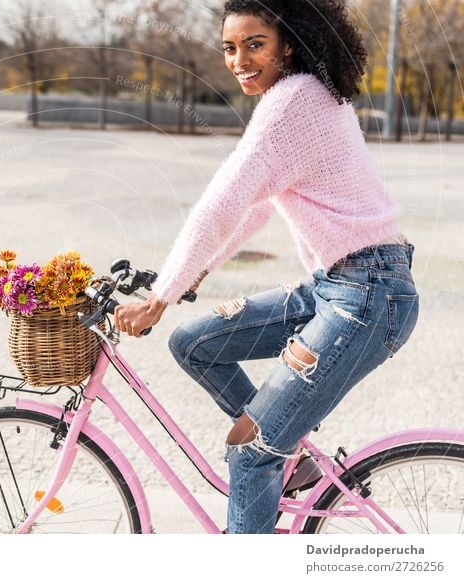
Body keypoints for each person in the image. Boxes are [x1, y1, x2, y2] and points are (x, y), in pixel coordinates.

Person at [113, 0, 420, 534]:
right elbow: (254, 210)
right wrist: (196, 271)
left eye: (255, 44)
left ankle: (272, 456)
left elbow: (222, 203)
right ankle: (291, 456)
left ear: (289, 44)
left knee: (251, 454)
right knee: (195, 344)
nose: (239, 60)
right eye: (230, 48)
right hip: (342, 286)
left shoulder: (291, 102)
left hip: (366, 297)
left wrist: (161, 296)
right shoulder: (309, 95)